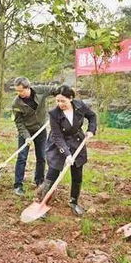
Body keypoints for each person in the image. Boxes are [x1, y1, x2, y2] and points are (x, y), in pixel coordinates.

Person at [36, 85, 96, 216]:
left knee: (77, 173)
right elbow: (57, 136)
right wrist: (67, 154)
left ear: (71, 98)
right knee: (53, 172)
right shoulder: (54, 114)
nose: (60, 104)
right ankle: (43, 202)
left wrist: (91, 130)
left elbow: (92, 116)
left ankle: (74, 202)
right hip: (58, 144)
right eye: (57, 101)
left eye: (63, 101)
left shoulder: (80, 106)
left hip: (77, 141)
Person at [11, 77, 63, 196]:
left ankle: (39, 181)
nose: (19, 94)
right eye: (17, 91)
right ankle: (18, 185)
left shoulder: (40, 90)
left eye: (21, 91)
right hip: (26, 131)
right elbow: (19, 122)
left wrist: (62, 96)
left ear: (28, 87)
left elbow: (54, 90)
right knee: (22, 157)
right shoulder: (16, 103)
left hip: (41, 130)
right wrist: (26, 136)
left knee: (41, 157)